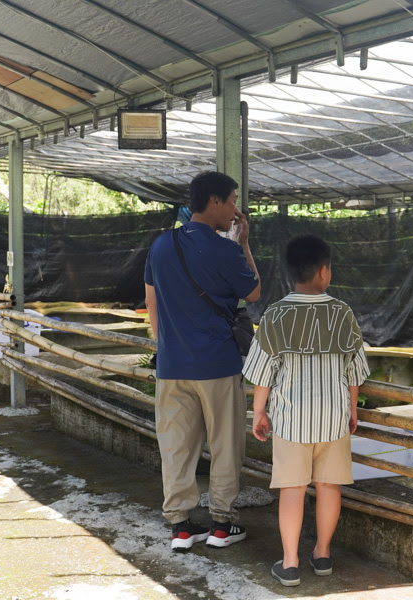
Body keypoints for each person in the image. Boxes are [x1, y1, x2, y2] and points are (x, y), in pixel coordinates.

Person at [242, 233, 370, 587]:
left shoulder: (275, 314)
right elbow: (354, 370)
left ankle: (290, 563)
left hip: (290, 419)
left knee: (293, 489)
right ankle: (323, 554)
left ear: (291, 273)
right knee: (330, 487)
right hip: (333, 418)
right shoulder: (342, 313)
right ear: (324, 272)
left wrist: (259, 410)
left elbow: (262, 372)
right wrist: (352, 410)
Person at [144, 171, 261, 551]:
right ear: (214, 201)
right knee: (226, 445)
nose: (235, 210)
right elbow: (254, 291)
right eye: (232, 201)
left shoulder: (161, 246)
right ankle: (222, 525)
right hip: (217, 365)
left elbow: (152, 303)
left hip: (172, 367)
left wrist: (168, 347)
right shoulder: (225, 249)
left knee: (176, 445)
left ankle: (180, 526)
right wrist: (243, 244)